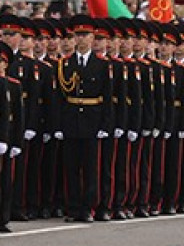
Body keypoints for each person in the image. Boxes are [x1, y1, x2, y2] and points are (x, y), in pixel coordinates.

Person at [52, 14, 112, 223]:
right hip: (70, 120)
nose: (82, 39)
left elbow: (108, 96)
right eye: (78, 35)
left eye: (86, 34)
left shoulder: (102, 65)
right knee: (71, 167)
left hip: (92, 120)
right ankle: (73, 207)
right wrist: (59, 124)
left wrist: (105, 124)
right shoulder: (64, 65)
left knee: (90, 168)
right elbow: (59, 97)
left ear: (93, 37)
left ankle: (89, 207)